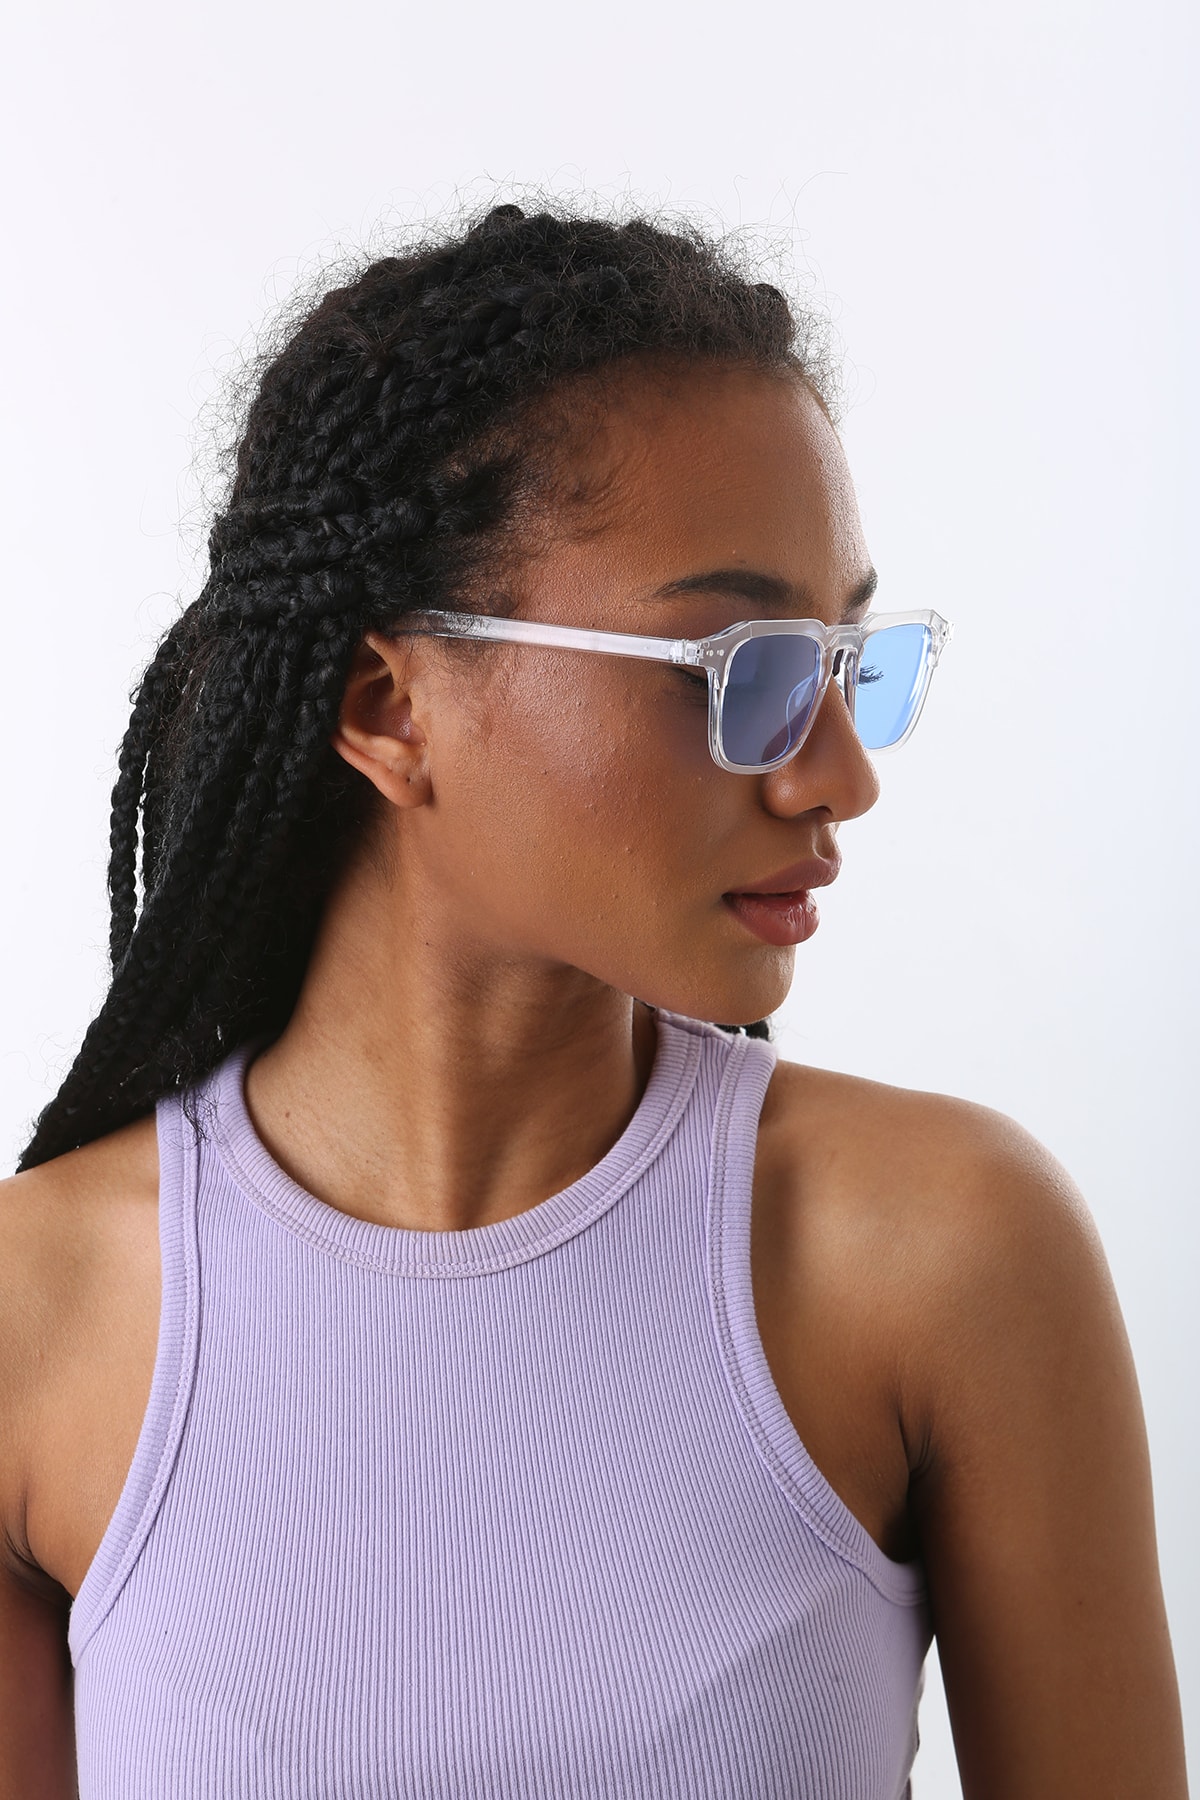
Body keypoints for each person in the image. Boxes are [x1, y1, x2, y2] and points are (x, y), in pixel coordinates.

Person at [0, 203, 1186, 1800]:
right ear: (387, 706)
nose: (838, 776)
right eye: (745, 669)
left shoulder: (943, 1258)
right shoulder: (36, 1322)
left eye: (846, 660)